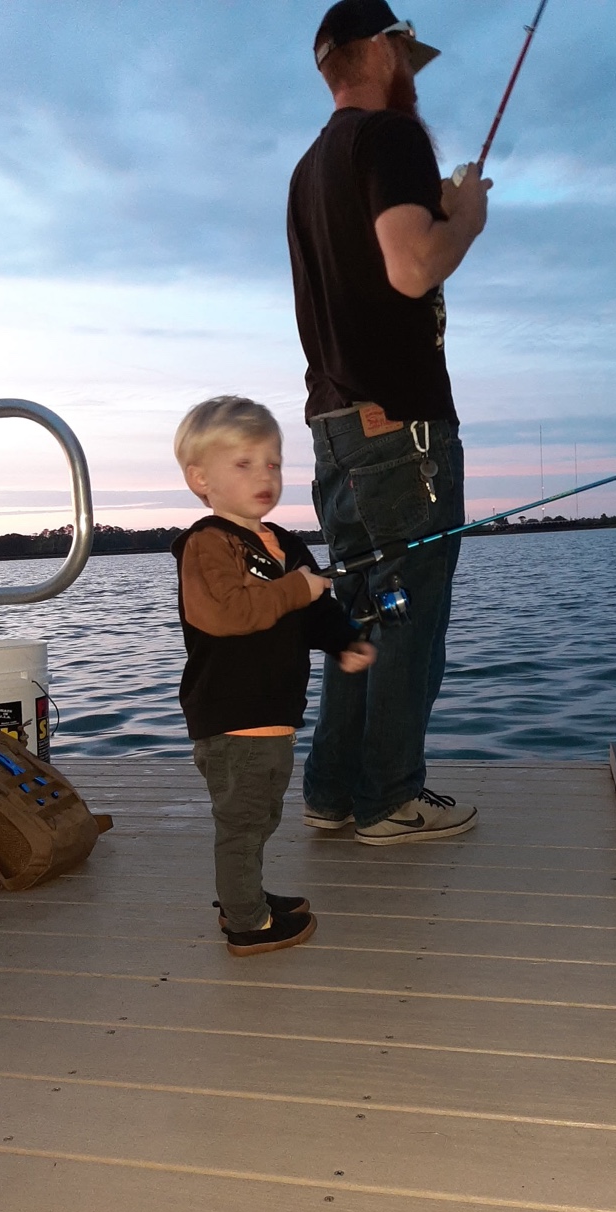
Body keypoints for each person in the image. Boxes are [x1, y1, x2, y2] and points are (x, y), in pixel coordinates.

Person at [287, 0, 492, 846]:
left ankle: (333, 789)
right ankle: (388, 799)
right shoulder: (393, 139)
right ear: (379, 51)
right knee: (409, 617)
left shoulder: (308, 167)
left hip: (334, 426)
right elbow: (412, 269)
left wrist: (431, 214)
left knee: (363, 609)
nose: (411, 75)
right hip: (402, 431)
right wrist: (464, 219)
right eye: (405, 55)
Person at [172, 396, 375, 955]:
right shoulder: (206, 545)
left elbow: (312, 611)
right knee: (240, 825)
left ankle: (247, 896)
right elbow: (230, 613)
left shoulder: (282, 542)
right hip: (231, 719)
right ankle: (245, 922)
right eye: (244, 463)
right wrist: (295, 589)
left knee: (260, 819)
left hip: (272, 717)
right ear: (200, 479)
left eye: (273, 462)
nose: (264, 474)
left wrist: (344, 641)